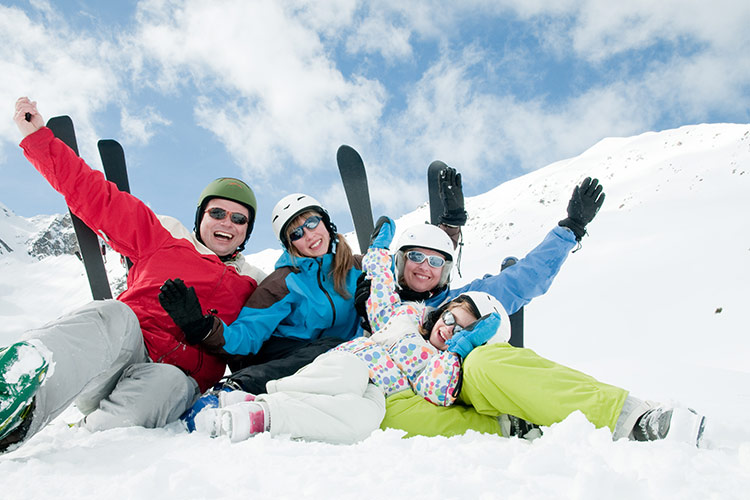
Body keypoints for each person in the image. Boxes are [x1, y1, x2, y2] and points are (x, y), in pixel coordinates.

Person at [355, 169, 706, 445]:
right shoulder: (375, 301)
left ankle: (632, 419)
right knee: (385, 412)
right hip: (405, 395)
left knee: (486, 362)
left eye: (436, 262)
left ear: (447, 270)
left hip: (462, 382)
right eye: (415, 256)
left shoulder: (461, 300)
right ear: (398, 262)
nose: (424, 267)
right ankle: (512, 427)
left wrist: (571, 229)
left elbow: (523, 279)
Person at [0, 97, 265, 453]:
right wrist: (38, 139)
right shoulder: (164, 238)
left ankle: (91, 444)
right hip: (121, 350)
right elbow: (96, 196)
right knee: (112, 314)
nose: (226, 224)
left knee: (168, 382)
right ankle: (18, 402)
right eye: (218, 212)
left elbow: (287, 323)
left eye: (239, 219)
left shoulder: (254, 285)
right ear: (201, 217)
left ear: (246, 232)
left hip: (174, 380)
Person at [172, 217, 508, 444]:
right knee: (342, 372)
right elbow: (380, 289)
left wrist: (459, 351)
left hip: (383, 391)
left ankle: (263, 415)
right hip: (348, 359)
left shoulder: (439, 353)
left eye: (436, 263)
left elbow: (438, 387)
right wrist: (378, 251)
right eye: (416, 258)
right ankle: (248, 393)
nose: (449, 329)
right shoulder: (403, 314)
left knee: (362, 421)